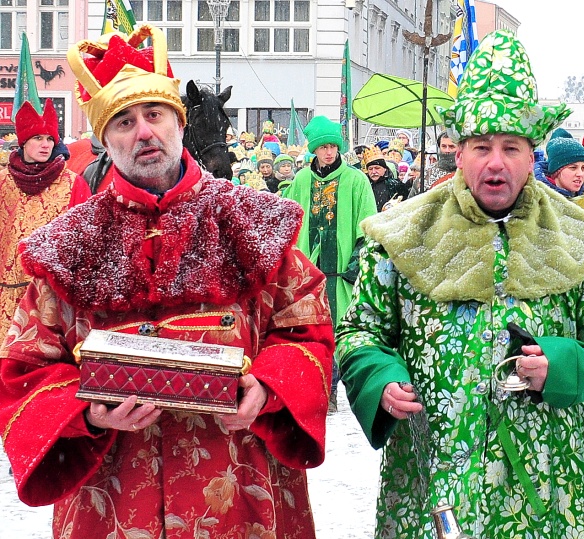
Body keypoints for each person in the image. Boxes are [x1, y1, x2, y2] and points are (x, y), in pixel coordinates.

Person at [0, 25, 334, 537]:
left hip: (241, 493)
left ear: (179, 123)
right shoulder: (68, 247)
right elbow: (25, 368)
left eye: (154, 115)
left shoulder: (250, 224)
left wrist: (268, 386)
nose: (144, 133)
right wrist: (87, 414)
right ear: (105, 141)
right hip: (113, 501)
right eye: (124, 122)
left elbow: (306, 326)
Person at [337, 29, 584, 538]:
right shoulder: (402, 236)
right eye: (481, 146)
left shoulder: (581, 240)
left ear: (531, 155)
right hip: (435, 484)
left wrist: (564, 366)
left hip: (552, 493)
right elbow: (358, 332)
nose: (495, 161)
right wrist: (379, 380)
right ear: (459, 153)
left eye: (511, 147)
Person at [282, 115, 377, 413]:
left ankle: (343, 391)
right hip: (309, 275)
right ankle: (319, 389)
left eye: (333, 147)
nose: (329, 152)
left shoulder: (356, 180)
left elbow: (368, 223)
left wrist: (356, 263)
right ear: (314, 150)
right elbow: (290, 221)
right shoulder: (300, 180)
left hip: (342, 275)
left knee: (341, 333)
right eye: (323, 147)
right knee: (311, 332)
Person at [0, 98, 90, 339]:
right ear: (23, 142)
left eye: (50, 139)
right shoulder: (2, 182)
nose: (46, 144)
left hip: (50, 297)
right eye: (38, 138)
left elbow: (84, 242)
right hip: (5, 297)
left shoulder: (74, 184)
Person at [541, 136, 584, 221]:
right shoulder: (538, 202)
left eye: (583, 168)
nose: (580, 174)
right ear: (557, 171)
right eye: (573, 168)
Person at [362, 146, 408, 211]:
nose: (374, 172)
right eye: (370, 169)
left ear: (385, 169)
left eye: (377, 168)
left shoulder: (396, 185)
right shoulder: (364, 185)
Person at [412, 131, 457, 195]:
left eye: (451, 146)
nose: (447, 150)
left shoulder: (467, 171)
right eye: (444, 146)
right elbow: (412, 200)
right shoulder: (426, 173)